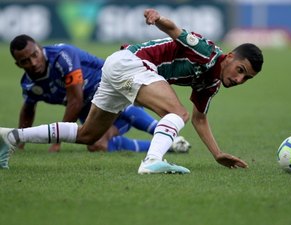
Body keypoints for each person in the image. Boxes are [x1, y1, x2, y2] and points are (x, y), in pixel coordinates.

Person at [0, 9, 263, 173]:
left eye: (246, 78)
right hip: (131, 63)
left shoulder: (211, 83)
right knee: (176, 113)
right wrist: (158, 18)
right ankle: (152, 161)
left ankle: (10, 136)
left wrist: (217, 154)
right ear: (229, 57)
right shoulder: (207, 52)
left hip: (119, 68)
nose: (239, 79)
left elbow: (200, 119)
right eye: (240, 70)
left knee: (89, 135)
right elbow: (175, 30)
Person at [6, 34, 190, 154]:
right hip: (92, 110)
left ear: (40, 48)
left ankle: (164, 132)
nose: (33, 62)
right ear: (18, 65)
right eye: (25, 61)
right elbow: (28, 108)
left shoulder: (63, 56)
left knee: (119, 100)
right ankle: (169, 146)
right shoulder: (29, 84)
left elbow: (75, 101)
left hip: (112, 87)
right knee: (97, 145)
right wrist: (21, 144)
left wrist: (57, 142)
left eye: (35, 55)